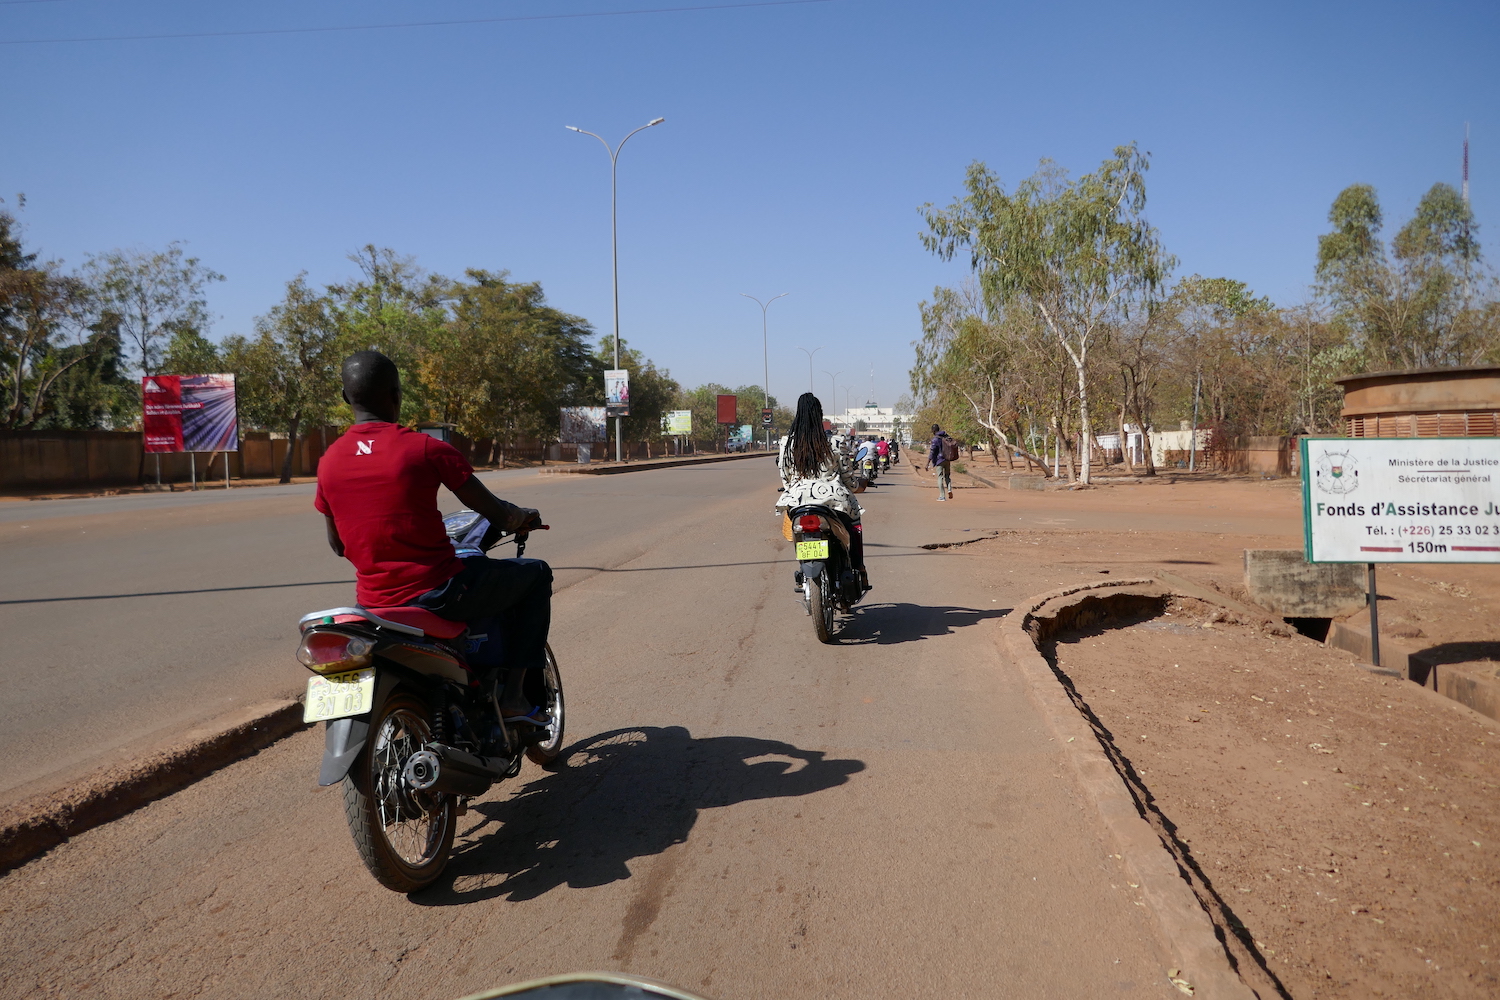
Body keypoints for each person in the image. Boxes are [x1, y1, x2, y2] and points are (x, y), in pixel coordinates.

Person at [315, 351, 551, 724]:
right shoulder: (423, 448)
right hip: (439, 593)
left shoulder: (328, 460)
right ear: (396, 394)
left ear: (346, 399)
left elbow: (339, 545)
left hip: (372, 604)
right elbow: (497, 513)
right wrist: (522, 516)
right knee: (536, 574)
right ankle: (516, 697)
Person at [777, 393, 870, 590]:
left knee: (796, 532)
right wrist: (858, 485)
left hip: (798, 501)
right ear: (819, 415)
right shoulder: (836, 442)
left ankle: (804, 570)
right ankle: (858, 567)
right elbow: (847, 477)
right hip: (833, 501)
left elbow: (785, 477)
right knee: (854, 526)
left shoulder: (786, 443)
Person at [926, 423, 955, 501]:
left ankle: (942, 496)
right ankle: (949, 489)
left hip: (939, 460)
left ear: (933, 430)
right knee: (947, 476)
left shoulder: (935, 439)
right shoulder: (946, 436)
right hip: (947, 459)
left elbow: (932, 452)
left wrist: (928, 463)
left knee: (940, 477)